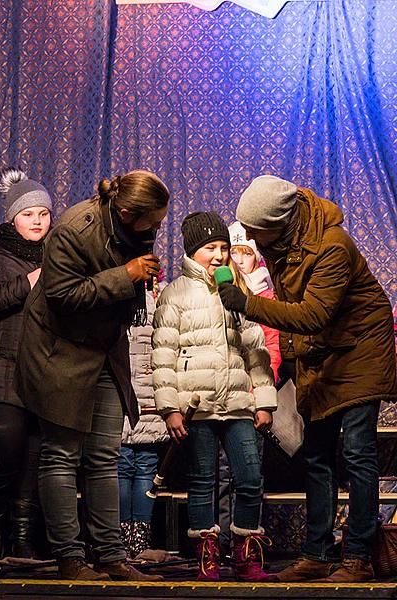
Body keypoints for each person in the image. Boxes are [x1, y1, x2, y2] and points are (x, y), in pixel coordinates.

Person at [218, 175, 397, 583]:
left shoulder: (332, 246)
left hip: (360, 355)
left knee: (356, 454)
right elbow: (298, 314)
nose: (251, 238)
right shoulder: (281, 243)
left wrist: (247, 305)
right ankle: (316, 554)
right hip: (323, 356)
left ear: (279, 221)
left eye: (256, 230)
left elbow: (313, 314)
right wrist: (294, 363)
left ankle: (357, 558)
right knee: (316, 456)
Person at [14, 170, 169, 581]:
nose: (157, 228)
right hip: (59, 352)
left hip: (101, 349)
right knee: (62, 455)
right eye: (152, 221)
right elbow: (62, 295)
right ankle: (70, 557)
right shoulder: (74, 229)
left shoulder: (133, 232)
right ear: (123, 211)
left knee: (105, 456)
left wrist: (139, 275)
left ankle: (111, 557)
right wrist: (128, 275)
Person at [152, 211, 277, 582]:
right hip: (197, 404)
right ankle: (208, 556)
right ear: (194, 251)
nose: (221, 255)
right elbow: (163, 355)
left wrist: (265, 399)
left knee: (250, 475)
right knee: (203, 479)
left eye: (224, 247)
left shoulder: (238, 292)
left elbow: (256, 349)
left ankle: (245, 554)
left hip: (238, 401)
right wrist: (170, 409)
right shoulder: (176, 293)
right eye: (211, 248)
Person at [0, 168, 52, 558]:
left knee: (35, 462)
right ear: (12, 217)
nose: (37, 221)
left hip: (43, 373)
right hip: (5, 370)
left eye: (43, 214)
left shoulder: (57, 257)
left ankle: (22, 542)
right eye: (28, 213)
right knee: (6, 456)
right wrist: (27, 282)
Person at [118, 274, 169, 559]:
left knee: (126, 466)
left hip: (129, 395)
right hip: (146, 396)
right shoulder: (156, 305)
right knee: (142, 467)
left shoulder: (119, 303)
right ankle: (138, 541)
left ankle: (125, 540)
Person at [229, 220, 281, 383]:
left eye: (247, 253)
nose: (239, 260)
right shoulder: (221, 291)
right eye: (234, 253)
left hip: (257, 381)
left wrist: (262, 387)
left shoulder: (266, 297)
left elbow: (273, 347)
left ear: (257, 257)